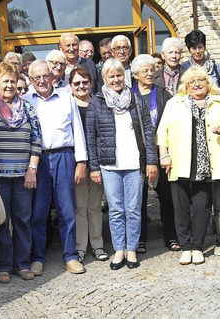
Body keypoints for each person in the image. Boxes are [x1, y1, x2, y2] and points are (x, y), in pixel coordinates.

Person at [157, 66, 220, 265]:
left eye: (201, 80)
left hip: (207, 161)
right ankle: (185, 246)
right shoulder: (175, 103)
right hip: (179, 161)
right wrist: (164, 155)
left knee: (202, 207)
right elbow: (162, 131)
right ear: (185, 85)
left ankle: (198, 247)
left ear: (208, 83)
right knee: (180, 206)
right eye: (192, 82)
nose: (197, 85)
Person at [86, 58, 157, 270]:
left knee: (133, 209)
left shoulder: (136, 101)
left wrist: (150, 161)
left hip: (135, 163)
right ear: (104, 78)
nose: (116, 79)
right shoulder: (96, 103)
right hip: (109, 165)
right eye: (111, 76)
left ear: (124, 76)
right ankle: (119, 249)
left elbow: (148, 133)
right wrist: (94, 166)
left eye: (119, 75)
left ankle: (132, 249)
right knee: (116, 209)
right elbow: (91, 137)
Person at [25, 60, 87, 275]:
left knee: (67, 209)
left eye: (45, 76)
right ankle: (37, 257)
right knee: (38, 212)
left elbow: (78, 130)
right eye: (36, 77)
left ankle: (70, 255)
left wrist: (81, 161)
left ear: (52, 76)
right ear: (30, 79)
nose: (42, 81)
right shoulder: (25, 101)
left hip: (63, 156)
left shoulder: (65, 98)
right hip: (37, 161)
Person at [0, 62, 42, 283]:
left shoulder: (27, 108)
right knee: (0, 222)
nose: (9, 85)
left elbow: (37, 139)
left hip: (23, 176)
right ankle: (2, 267)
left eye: (12, 81)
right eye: (4, 81)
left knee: (22, 220)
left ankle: (22, 264)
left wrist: (32, 168)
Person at [130, 54, 178, 253]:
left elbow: (171, 123)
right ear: (135, 74)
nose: (150, 73)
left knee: (167, 196)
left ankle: (172, 236)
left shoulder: (163, 94)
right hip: (135, 153)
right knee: (138, 198)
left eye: (152, 70)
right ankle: (139, 238)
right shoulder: (128, 95)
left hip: (161, 150)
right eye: (145, 71)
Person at [70, 67, 108, 263]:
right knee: (80, 207)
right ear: (70, 85)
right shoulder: (68, 105)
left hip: (98, 163)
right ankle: (80, 247)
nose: (81, 86)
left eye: (84, 82)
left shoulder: (99, 103)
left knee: (94, 206)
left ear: (91, 83)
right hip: (77, 164)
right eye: (77, 83)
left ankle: (97, 245)